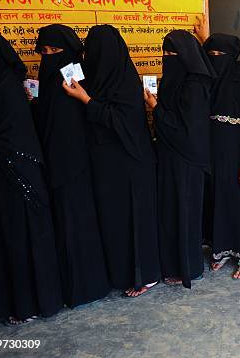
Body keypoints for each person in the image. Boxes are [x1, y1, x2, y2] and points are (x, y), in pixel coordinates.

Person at [62, 25, 160, 297]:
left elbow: (121, 122)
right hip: (105, 164)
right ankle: (120, 274)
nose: (89, 55)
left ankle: (146, 275)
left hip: (132, 163)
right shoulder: (91, 77)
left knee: (136, 221)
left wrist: (86, 100)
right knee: (114, 221)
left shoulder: (125, 80)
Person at [0, 30, 63, 325]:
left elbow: (12, 136)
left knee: (22, 239)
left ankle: (29, 304)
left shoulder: (6, 87)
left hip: (19, 178)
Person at [33, 24, 110, 307]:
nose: (49, 56)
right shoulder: (46, 83)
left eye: (56, 50)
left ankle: (88, 287)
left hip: (79, 166)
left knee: (80, 222)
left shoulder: (81, 79)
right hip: (54, 165)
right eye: (44, 51)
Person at [144, 30, 215, 288]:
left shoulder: (195, 85)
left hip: (187, 160)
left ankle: (189, 268)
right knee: (171, 212)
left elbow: (186, 127)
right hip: (170, 156)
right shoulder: (178, 79)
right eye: (164, 53)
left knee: (185, 215)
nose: (167, 58)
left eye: (171, 53)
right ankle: (172, 265)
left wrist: (155, 107)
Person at [201, 33, 240, 279]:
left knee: (237, 202)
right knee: (216, 200)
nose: (216, 60)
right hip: (211, 153)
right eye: (211, 55)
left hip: (236, 156)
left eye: (220, 55)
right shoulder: (206, 80)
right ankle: (221, 250)